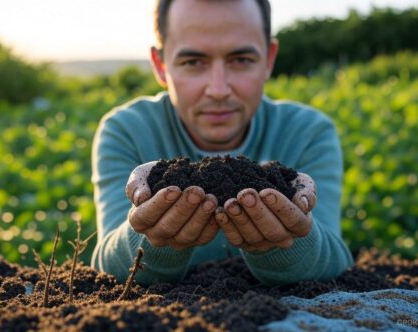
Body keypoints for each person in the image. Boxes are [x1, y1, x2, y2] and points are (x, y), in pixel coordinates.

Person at [91, 0, 354, 286]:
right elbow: (107, 267)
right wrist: (152, 236)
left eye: (240, 60)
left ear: (268, 59)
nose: (218, 89)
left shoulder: (307, 132)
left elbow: (335, 260)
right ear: (161, 65)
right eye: (193, 62)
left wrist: (288, 240)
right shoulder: (127, 131)